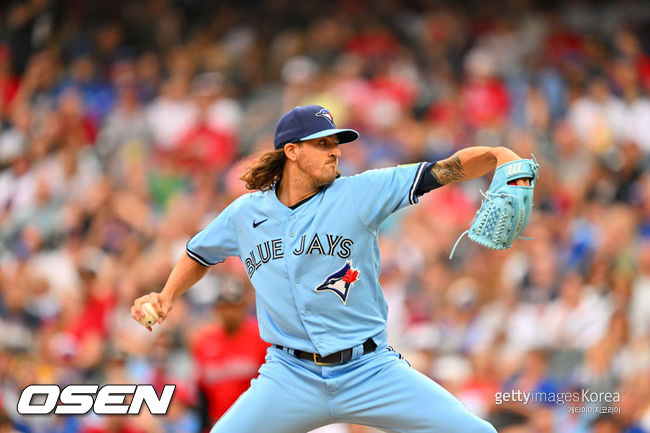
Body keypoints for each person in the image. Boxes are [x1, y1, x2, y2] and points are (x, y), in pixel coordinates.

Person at [131, 105, 531, 433]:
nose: (335, 151)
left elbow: (442, 170)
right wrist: (165, 295)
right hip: (289, 375)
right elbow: (199, 253)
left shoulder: (360, 192)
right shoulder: (245, 213)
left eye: (336, 143)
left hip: (370, 369)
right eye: (322, 144)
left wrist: (498, 154)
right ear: (291, 151)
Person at [190, 277, 268, 431]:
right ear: (217, 309)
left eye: (234, 306)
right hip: (218, 424)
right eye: (225, 306)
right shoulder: (204, 342)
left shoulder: (262, 337)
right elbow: (202, 392)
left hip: (254, 423)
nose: (229, 312)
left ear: (244, 306)